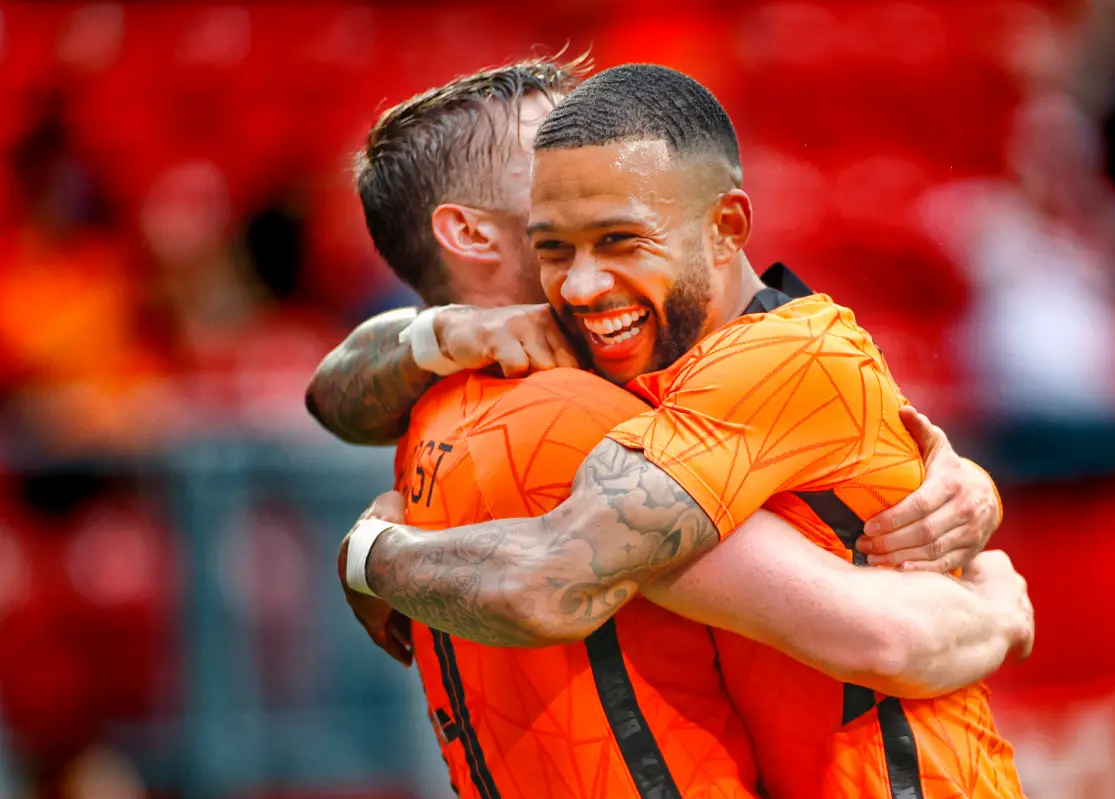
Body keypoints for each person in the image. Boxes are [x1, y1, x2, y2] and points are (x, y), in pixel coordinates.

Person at [340, 64, 1027, 799]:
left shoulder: (471, 409)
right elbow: (337, 394)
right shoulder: (570, 388)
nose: (581, 281)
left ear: (726, 226)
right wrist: (996, 604)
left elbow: (546, 576)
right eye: (556, 244)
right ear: (472, 230)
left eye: (618, 236)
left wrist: (370, 554)